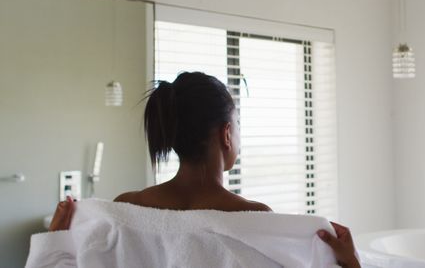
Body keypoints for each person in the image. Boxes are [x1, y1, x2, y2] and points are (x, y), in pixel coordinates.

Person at [49, 72, 360, 268]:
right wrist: (349, 264)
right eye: (237, 126)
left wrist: (56, 244)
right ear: (226, 134)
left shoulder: (126, 209)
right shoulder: (255, 219)